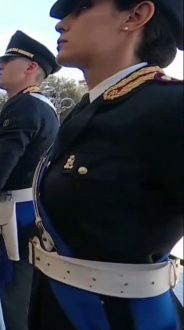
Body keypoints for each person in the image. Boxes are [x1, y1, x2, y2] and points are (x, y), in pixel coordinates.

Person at [29, 1, 183, 329]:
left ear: (135, 15)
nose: (61, 24)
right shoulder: (88, 110)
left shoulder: (173, 108)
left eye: (81, 7)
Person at [0, 30, 60, 330]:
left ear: (30, 67)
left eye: (7, 59)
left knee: (17, 307)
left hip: (16, 220)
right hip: (36, 216)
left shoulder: (22, 105)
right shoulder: (46, 108)